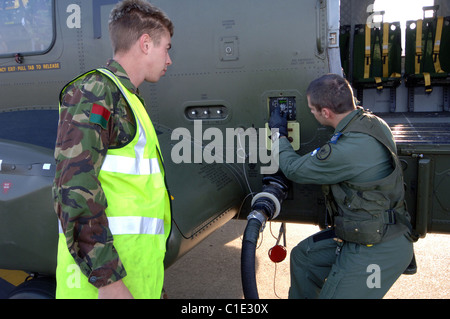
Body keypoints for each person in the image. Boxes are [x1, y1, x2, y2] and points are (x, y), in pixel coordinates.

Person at [52, 0, 173, 299]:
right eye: (166, 48)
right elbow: (73, 187)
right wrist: (108, 281)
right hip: (102, 289)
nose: (169, 59)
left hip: (134, 282)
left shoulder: (127, 99)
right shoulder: (95, 91)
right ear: (145, 44)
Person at [269, 73, 416, 299]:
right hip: (368, 230)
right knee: (304, 257)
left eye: (312, 110)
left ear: (325, 112)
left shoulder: (346, 150)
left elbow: (294, 169)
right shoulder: (372, 123)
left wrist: (278, 137)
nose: (312, 113)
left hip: (377, 246)